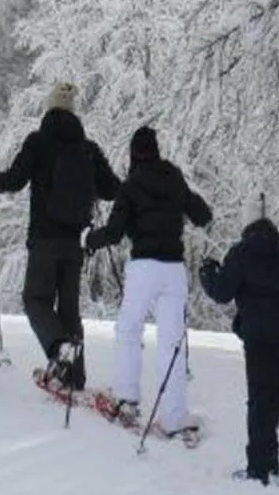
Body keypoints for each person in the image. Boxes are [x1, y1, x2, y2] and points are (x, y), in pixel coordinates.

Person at [0, 83, 122, 392]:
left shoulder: (38, 142)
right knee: (69, 310)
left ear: (48, 107)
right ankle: (75, 377)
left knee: (36, 299)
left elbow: (15, 181)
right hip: (78, 243)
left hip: (45, 239)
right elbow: (112, 189)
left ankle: (58, 350)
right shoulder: (89, 149)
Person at [85, 124, 213, 435]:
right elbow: (203, 215)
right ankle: (174, 415)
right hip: (174, 270)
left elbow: (114, 233)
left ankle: (127, 398)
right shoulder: (175, 178)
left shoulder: (131, 185)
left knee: (129, 329)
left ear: (133, 154)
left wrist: (90, 239)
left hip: (144, 266)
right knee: (172, 342)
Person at [200, 208, 279, 486]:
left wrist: (207, 273)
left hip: (259, 334)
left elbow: (222, 292)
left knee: (262, 395)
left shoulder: (241, 253)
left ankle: (261, 466)